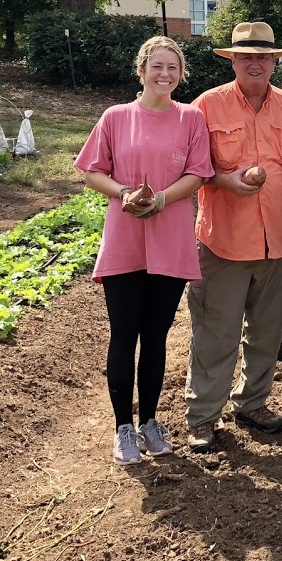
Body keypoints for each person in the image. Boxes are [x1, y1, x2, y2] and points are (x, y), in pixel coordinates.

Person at [75, 36, 213, 465]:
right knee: (124, 335)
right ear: (142, 71)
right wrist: (126, 193)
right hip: (125, 242)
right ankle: (123, 427)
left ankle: (150, 422)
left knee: (155, 337)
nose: (165, 74)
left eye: (173, 67)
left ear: (181, 73)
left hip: (169, 240)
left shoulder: (191, 119)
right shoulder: (116, 117)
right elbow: (92, 171)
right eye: (157, 66)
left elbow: (198, 174)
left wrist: (162, 200)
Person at [184, 22, 282, 453]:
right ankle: (203, 416)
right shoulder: (207, 106)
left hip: (275, 239)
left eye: (264, 56)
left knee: (267, 331)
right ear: (233, 60)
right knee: (215, 332)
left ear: (275, 61)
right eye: (246, 56)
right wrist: (225, 180)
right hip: (223, 241)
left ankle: (252, 403)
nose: (255, 63)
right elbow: (193, 170)